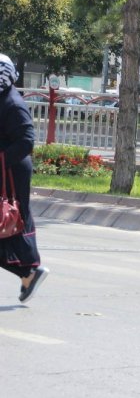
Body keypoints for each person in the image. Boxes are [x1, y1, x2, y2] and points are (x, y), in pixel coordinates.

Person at [0, 53, 49, 302]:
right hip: (5, 169)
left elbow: (26, 141)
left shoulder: (12, 103)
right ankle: (28, 271)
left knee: (12, 220)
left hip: (11, 172)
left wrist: (1, 161)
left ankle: (29, 270)